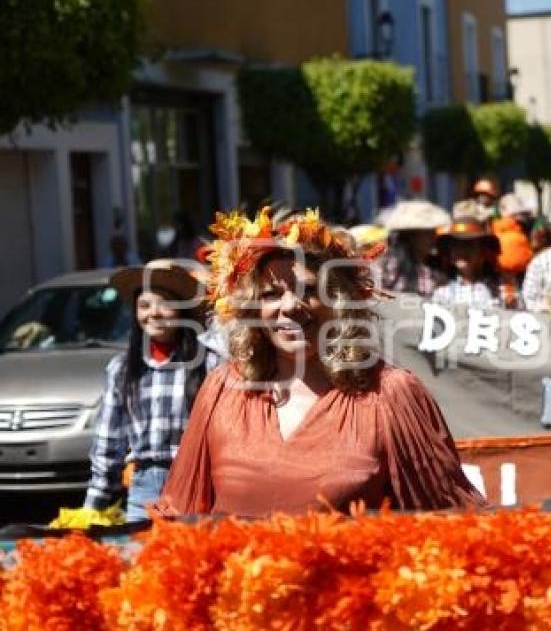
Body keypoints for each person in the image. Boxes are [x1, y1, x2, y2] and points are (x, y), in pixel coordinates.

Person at [156, 209, 485, 517]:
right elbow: (180, 518)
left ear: (340, 301)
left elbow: (448, 521)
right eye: (271, 294)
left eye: (309, 289)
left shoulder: (391, 395)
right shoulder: (221, 390)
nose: (292, 306)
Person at [84, 260, 209, 522]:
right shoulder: (121, 369)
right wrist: (92, 507)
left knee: (192, 559)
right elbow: (109, 442)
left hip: (196, 485)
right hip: (143, 489)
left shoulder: (208, 362)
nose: (154, 313)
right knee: (141, 559)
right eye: (144, 305)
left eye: (164, 303)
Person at [432, 217, 518, 310]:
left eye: (469, 245)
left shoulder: (503, 288)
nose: (461, 251)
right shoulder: (442, 292)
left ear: (483, 251)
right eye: (456, 246)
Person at [380, 200, 450, 297]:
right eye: (427, 233)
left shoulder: (434, 267)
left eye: (433, 232)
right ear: (411, 237)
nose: (433, 237)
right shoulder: (390, 267)